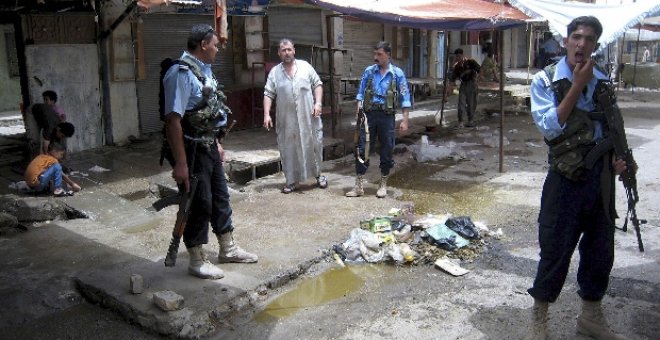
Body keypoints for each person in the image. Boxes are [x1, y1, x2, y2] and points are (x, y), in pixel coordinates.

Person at [525, 16, 630, 340]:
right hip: (565, 180)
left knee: (601, 252)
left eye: (588, 39)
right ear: (565, 41)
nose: (581, 44)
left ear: (596, 46)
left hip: (600, 181)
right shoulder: (544, 81)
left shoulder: (602, 81)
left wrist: (618, 159)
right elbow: (550, 127)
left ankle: (590, 317)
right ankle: (539, 320)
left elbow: (609, 129)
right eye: (576, 37)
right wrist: (577, 87)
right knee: (555, 251)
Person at [162, 24, 257, 280]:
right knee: (198, 202)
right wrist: (180, 164)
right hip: (191, 150)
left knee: (220, 197)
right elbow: (173, 121)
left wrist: (217, 142)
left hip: (208, 145)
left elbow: (210, 112)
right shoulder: (179, 73)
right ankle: (196, 258)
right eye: (215, 44)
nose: (218, 49)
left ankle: (228, 248)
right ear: (203, 44)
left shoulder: (205, 71)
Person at [345, 41, 411, 199]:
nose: (376, 57)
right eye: (374, 54)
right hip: (368, 116)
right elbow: (360, 94)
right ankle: (359, 185)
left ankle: (383, 184)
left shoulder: (397, 74)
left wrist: (405, 120)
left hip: (386, 117)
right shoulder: (369, 72)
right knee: (363, 149)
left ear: (388, 55)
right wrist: (358, 112)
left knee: (387, 149)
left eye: (379, 54)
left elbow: (405, 98)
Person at [263, 38, 327, 194]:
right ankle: (291, 181)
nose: (287, 53)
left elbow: (317, 84)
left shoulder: (305, 67)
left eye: (289, 49)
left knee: (314, 146)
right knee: (288, 149)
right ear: (279, 53)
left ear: (294, 50)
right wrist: (266, 114)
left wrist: (318, 103)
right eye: (283, 50)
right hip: (287, 120)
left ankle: (319, 176)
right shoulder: (275, 72)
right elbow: (268, 93)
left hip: (309, 117)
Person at [450, 48, 480, 128]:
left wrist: (477, 79)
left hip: (472, 84)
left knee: (471, 104)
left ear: (462, 55)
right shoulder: (456, 67)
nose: (458, 58)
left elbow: (480, 70)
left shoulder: (471, 62)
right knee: (461, 104)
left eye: (459, 56)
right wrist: (449, 91)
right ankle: (461, 122)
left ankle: (470, 121)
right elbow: (453, 80)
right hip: (463, 85)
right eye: (457, 56)